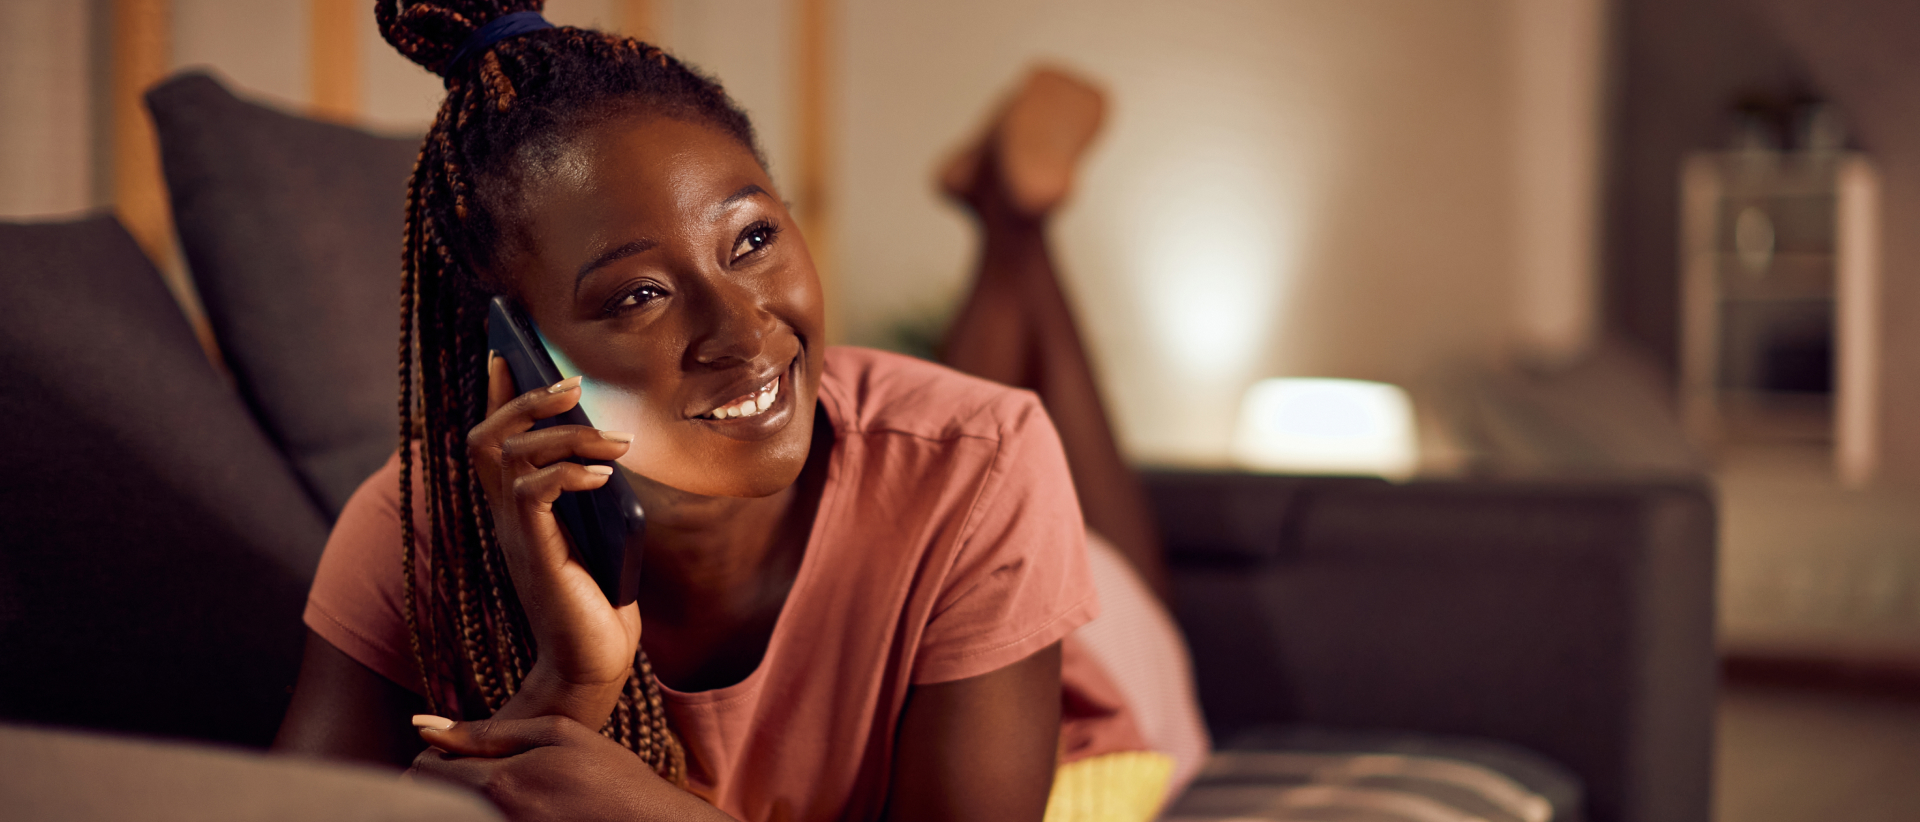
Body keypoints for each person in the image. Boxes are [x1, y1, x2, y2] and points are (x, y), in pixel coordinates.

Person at [274, 3, 1195, 821]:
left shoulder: (987, 462)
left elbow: (974, 456)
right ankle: (1011, 218)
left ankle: (1014, 223)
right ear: (517, 348)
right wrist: (567, 690)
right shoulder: (416, 528)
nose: (743, 329)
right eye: (638, 295)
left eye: (752, 238)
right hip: (938, 510)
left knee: (986, 458)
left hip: (1066, 696)